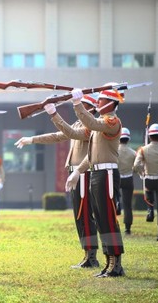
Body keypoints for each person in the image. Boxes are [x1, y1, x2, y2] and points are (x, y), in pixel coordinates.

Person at [15, 94, 100, 268]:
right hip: (76, 173)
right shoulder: (79, 124)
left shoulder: (91, 126)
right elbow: (57, 136)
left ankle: (91, 256)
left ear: (89, 108)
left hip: (83, 173)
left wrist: (54, 114)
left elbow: (69, 133)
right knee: (79, 216)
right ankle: (87, 254)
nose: (78, 110)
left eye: (81, 106)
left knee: (85, 215)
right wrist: (32, 139)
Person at [66, 84, 125, 277]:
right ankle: (109, 263)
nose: (97, 102)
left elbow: (90, 124)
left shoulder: (112, 121)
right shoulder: (99, 123)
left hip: (107, 174)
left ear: (110, 103)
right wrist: (77, 172)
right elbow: (91, 156)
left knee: (108, 219)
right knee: (100, 219)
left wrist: (78, 104)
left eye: (100, 100)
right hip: (97, 174)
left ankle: (116, 263)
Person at [134, 123, 158, 241]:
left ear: (149, 136)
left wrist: (142, 174)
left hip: (148, 179)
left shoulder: (143, 150)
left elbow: (136, 165)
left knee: (149, 198)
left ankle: (150, 211)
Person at [118, 128, 138, 235]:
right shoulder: (134, 153)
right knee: (127, 204)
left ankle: (117, 203)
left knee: (112, 201)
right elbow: (136, 167)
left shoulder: (114, 150)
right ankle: (127, 228)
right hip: (128, 179)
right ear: (128, 139)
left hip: (116, 178)